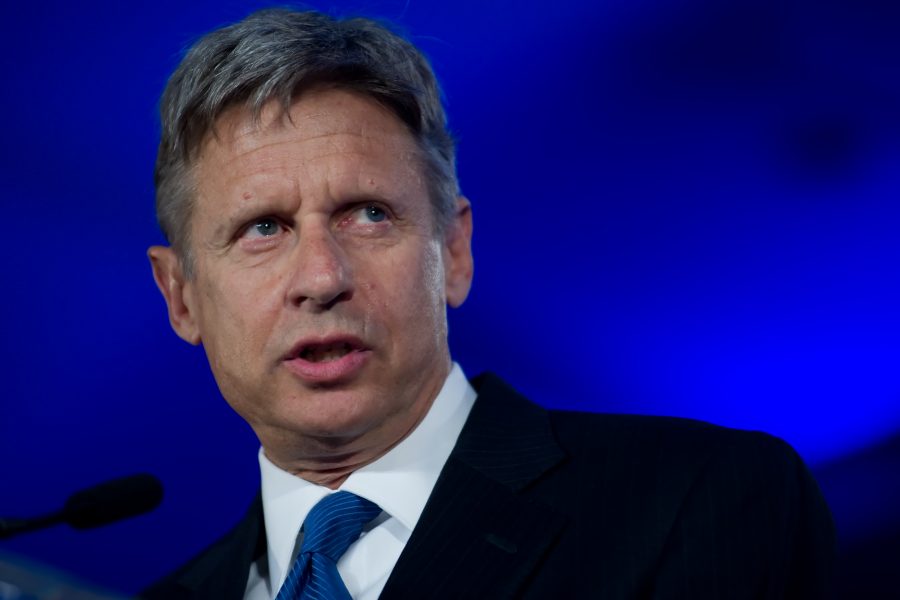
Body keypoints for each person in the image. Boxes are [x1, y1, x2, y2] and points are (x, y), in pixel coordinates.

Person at [142, 7, 835, 599]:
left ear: (455, 251)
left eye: (369, 214)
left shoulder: (700, 500)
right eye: (263, 227)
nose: (322, 277)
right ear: (181, 298)